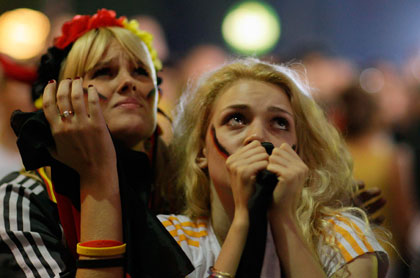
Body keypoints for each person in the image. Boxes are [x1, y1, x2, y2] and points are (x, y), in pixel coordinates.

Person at [0, 9, 192, 278]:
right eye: (104, 72)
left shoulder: (188, 186)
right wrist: (99, 174)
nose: (128, 82)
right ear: (62, 96)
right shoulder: (20, 198)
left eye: (140, 71)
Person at [157, 58, 389, 277]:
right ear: (200, 151)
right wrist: (242, 222)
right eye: (236, 119)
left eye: (279, 122)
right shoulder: (169, 237)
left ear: (302, 151)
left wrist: (284, 217)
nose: (258, 136)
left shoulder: (341, 236)